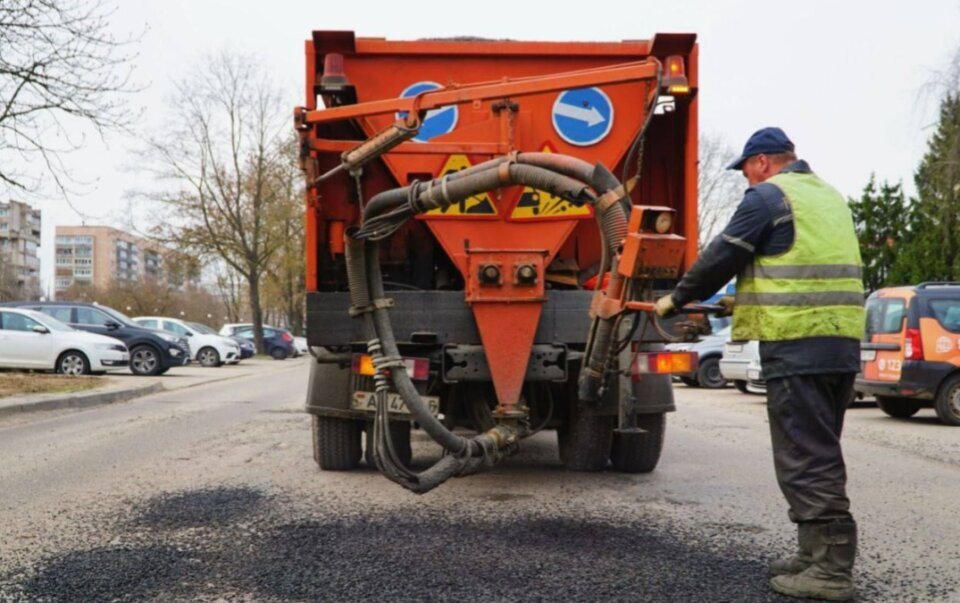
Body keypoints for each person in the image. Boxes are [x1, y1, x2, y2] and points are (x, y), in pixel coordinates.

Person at [655, 127, 864, 602]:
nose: (746, 180)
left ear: (763, 162)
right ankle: (812, 554)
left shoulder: (769, 198)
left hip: (797, 346)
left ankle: (830, 570)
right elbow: (798, 266)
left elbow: (721, 257)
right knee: (819, 447)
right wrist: (740, 303)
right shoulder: (828, 197)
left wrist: (676, 299)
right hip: (839, 344)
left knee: (805, 456)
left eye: (746, 170)